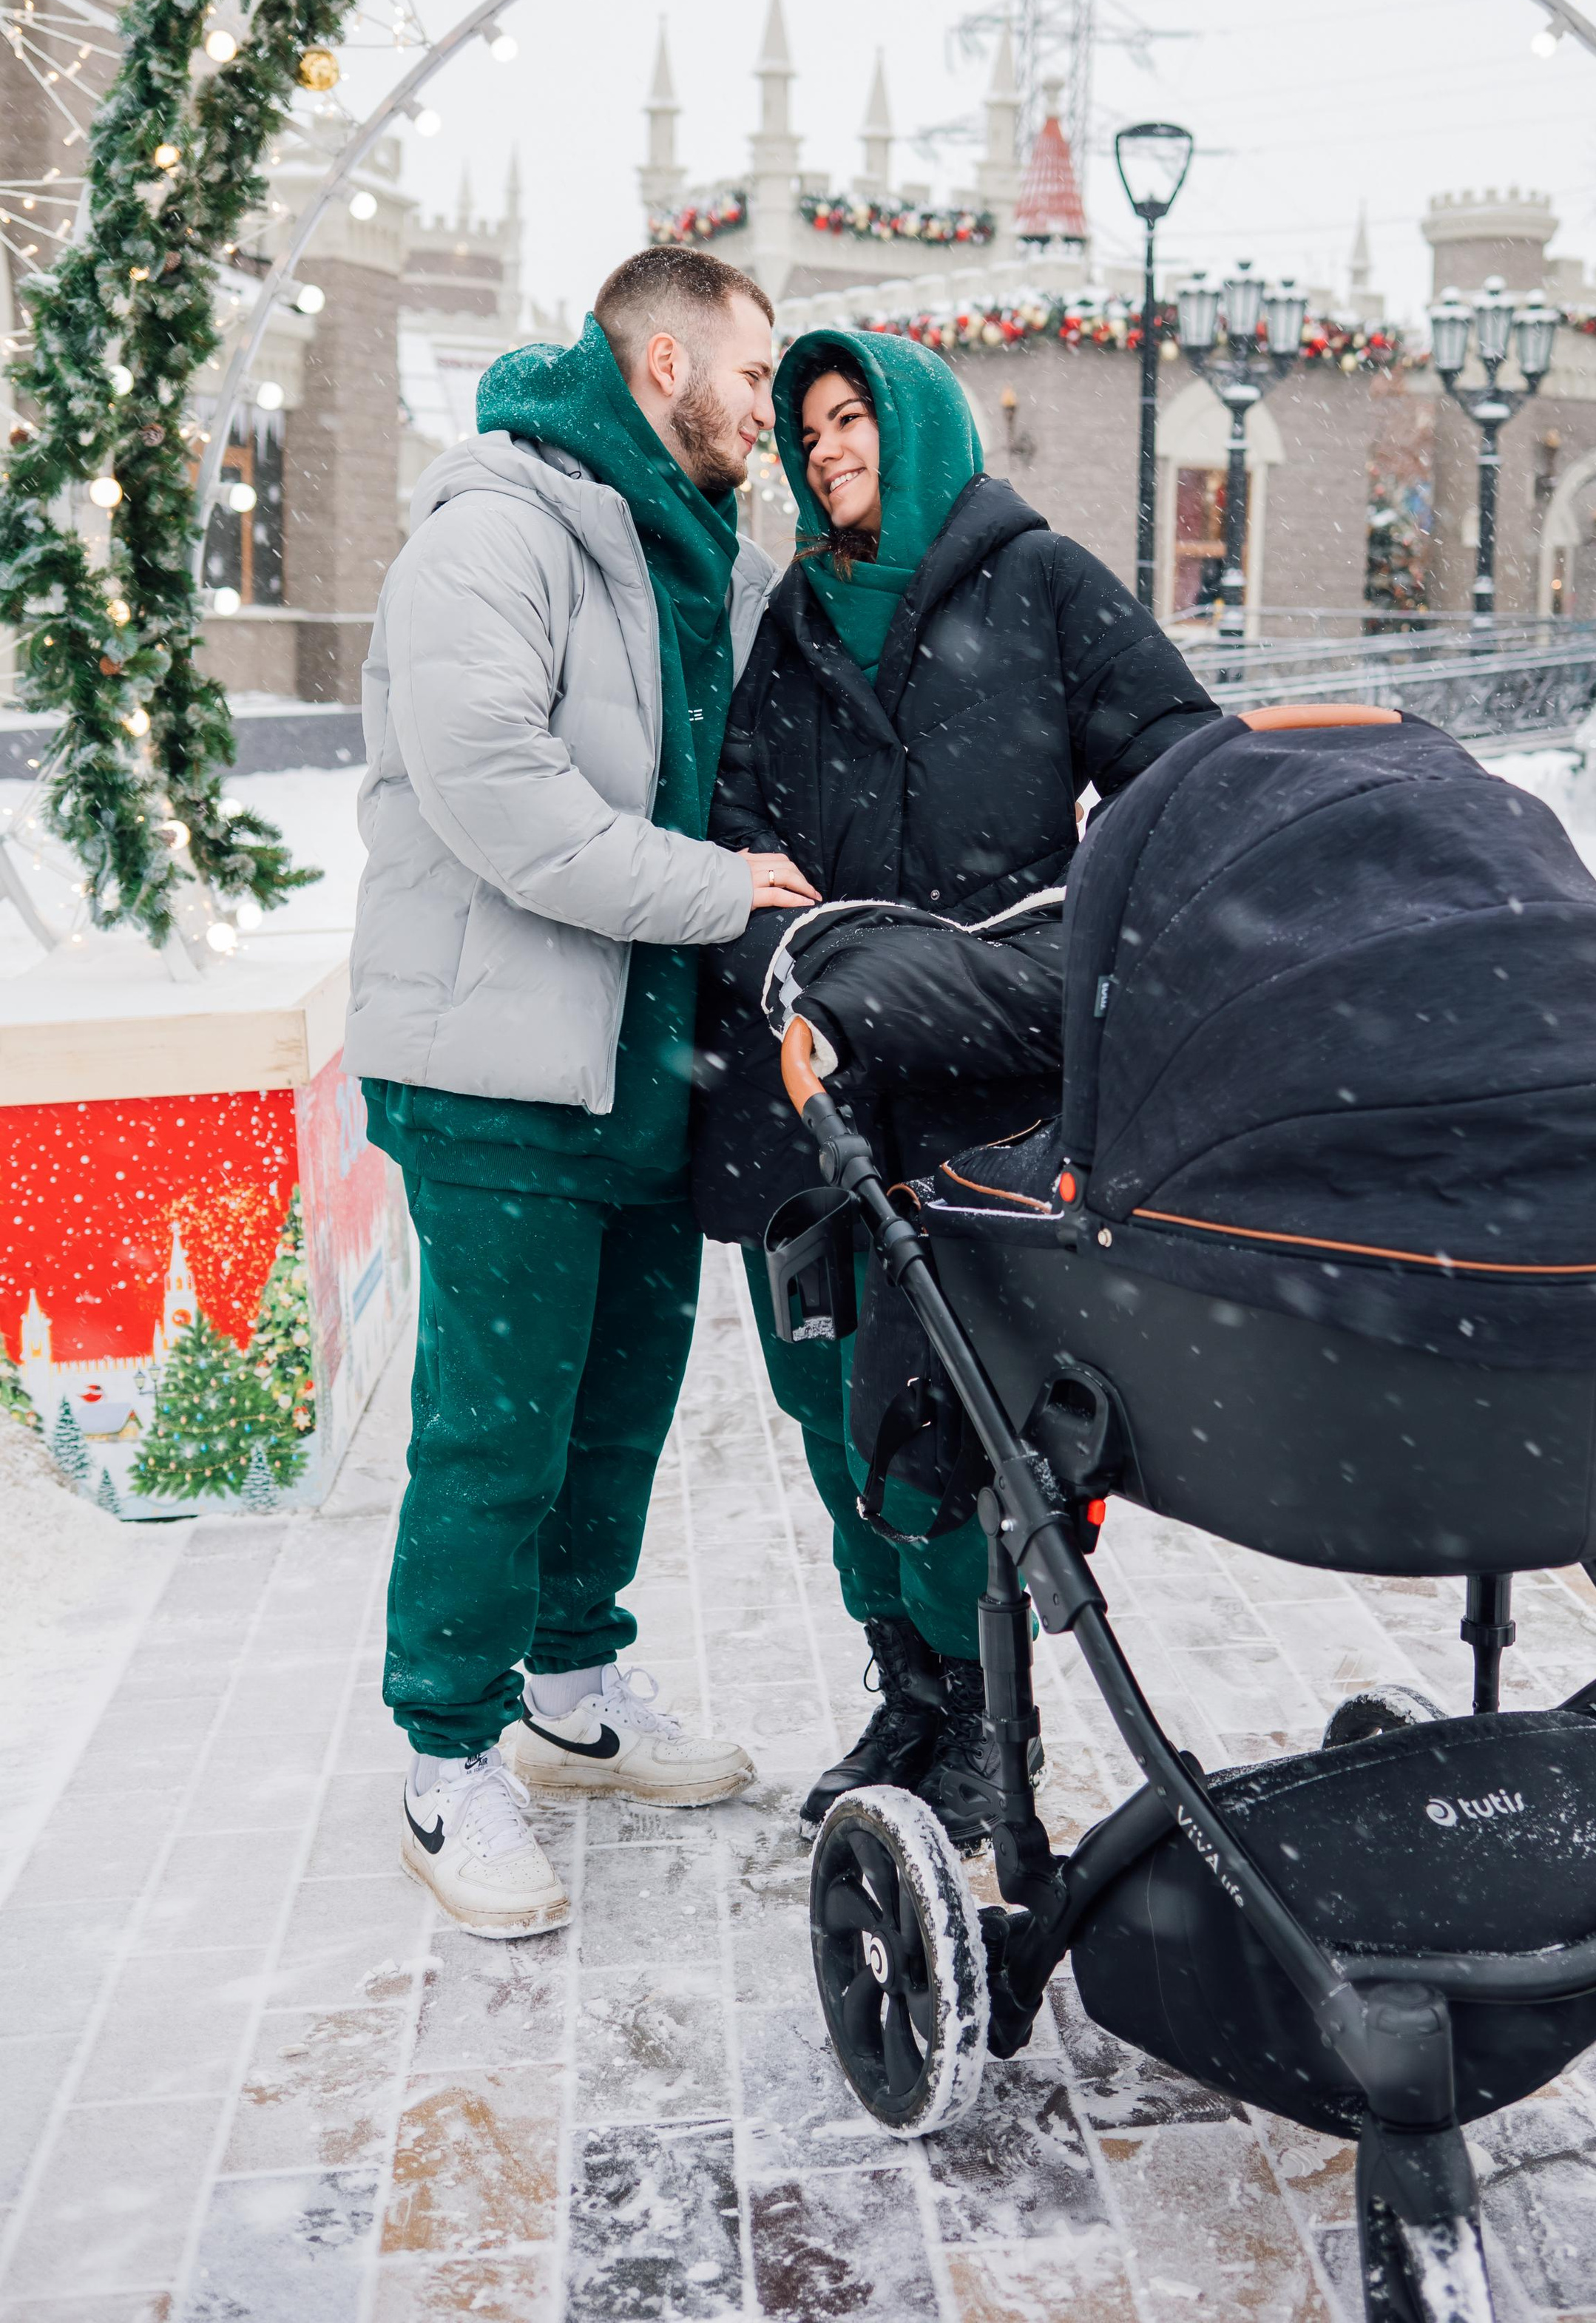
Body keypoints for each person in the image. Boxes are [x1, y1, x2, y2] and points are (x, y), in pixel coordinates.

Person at [345, 248, 819, 1940]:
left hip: (641, 1065)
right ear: (666, 359)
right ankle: (444, 1751)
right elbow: (499, 794)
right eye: (756, 378)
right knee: (494, 1428)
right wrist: (724, 891)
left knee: (613, 1412)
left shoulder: (697, 554)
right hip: (497, 1074)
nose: (769, 416)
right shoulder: (502, 529)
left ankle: (572, 1688)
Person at [694, 329, 1218, 1847]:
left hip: (988, 1078)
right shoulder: (793, 621)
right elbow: (739, 827)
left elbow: (1179, 767)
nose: (825, 449)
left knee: (970, 1415)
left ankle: (993, 1719)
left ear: (912, 425)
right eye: (805, 431)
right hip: (818, 1084)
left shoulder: (1041, 584)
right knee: (825, 1403)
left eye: (851, 418)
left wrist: (1059, 932)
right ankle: (910, 1685)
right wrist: (793, 952)